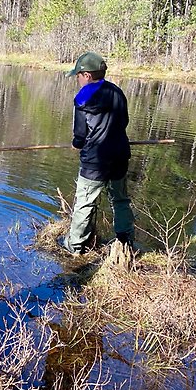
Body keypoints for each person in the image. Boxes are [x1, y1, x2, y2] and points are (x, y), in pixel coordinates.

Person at [62, 52, 135, 254]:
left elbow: (80, 134)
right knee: (120, 199)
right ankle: (125, 240)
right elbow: (124, 122)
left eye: (77, 75)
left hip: (95, 160)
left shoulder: (83, 96)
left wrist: (77, 143)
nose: (77, 79)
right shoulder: (117, 92)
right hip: (120, 155)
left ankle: (75, 245)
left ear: (86, 75)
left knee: (85, 203)